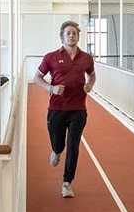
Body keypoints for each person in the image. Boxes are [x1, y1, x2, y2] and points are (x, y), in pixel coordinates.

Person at [34, 20, 96, 198]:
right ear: (62, 37)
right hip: (56, 109)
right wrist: (51, 88)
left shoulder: (86, 58)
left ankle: (67, 183)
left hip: (78, 109)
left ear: (78, 36)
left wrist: (90, 85)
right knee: (58, 143)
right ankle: (56, 150)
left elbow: (91, 74)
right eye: (68, 33)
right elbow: (37, 77)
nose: (72, 35)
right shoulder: (51, 57)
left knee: (73, 146)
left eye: (74, 33)